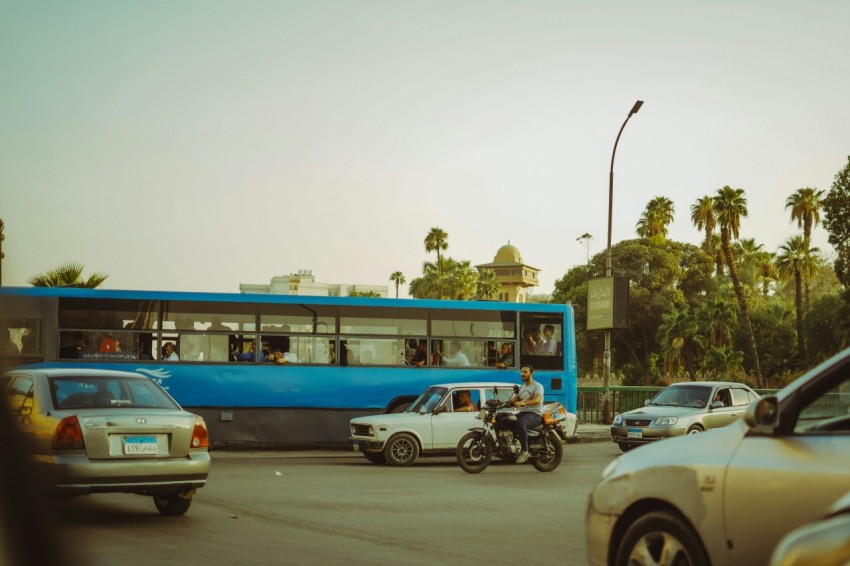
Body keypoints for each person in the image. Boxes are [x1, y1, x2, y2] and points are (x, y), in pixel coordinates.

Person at [509, 365, 544, 463]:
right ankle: (514, 444)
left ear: (531, 374)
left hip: (535, 414)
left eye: (525, 372)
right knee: (505, 419)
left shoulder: (537, 386)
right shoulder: (521, 387)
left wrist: (523, 403)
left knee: (521, 423)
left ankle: (525, 451)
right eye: (521, 372)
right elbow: (513, 400)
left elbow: (537, 400)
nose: (522, 374)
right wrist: (500, 402)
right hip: (524, 412)